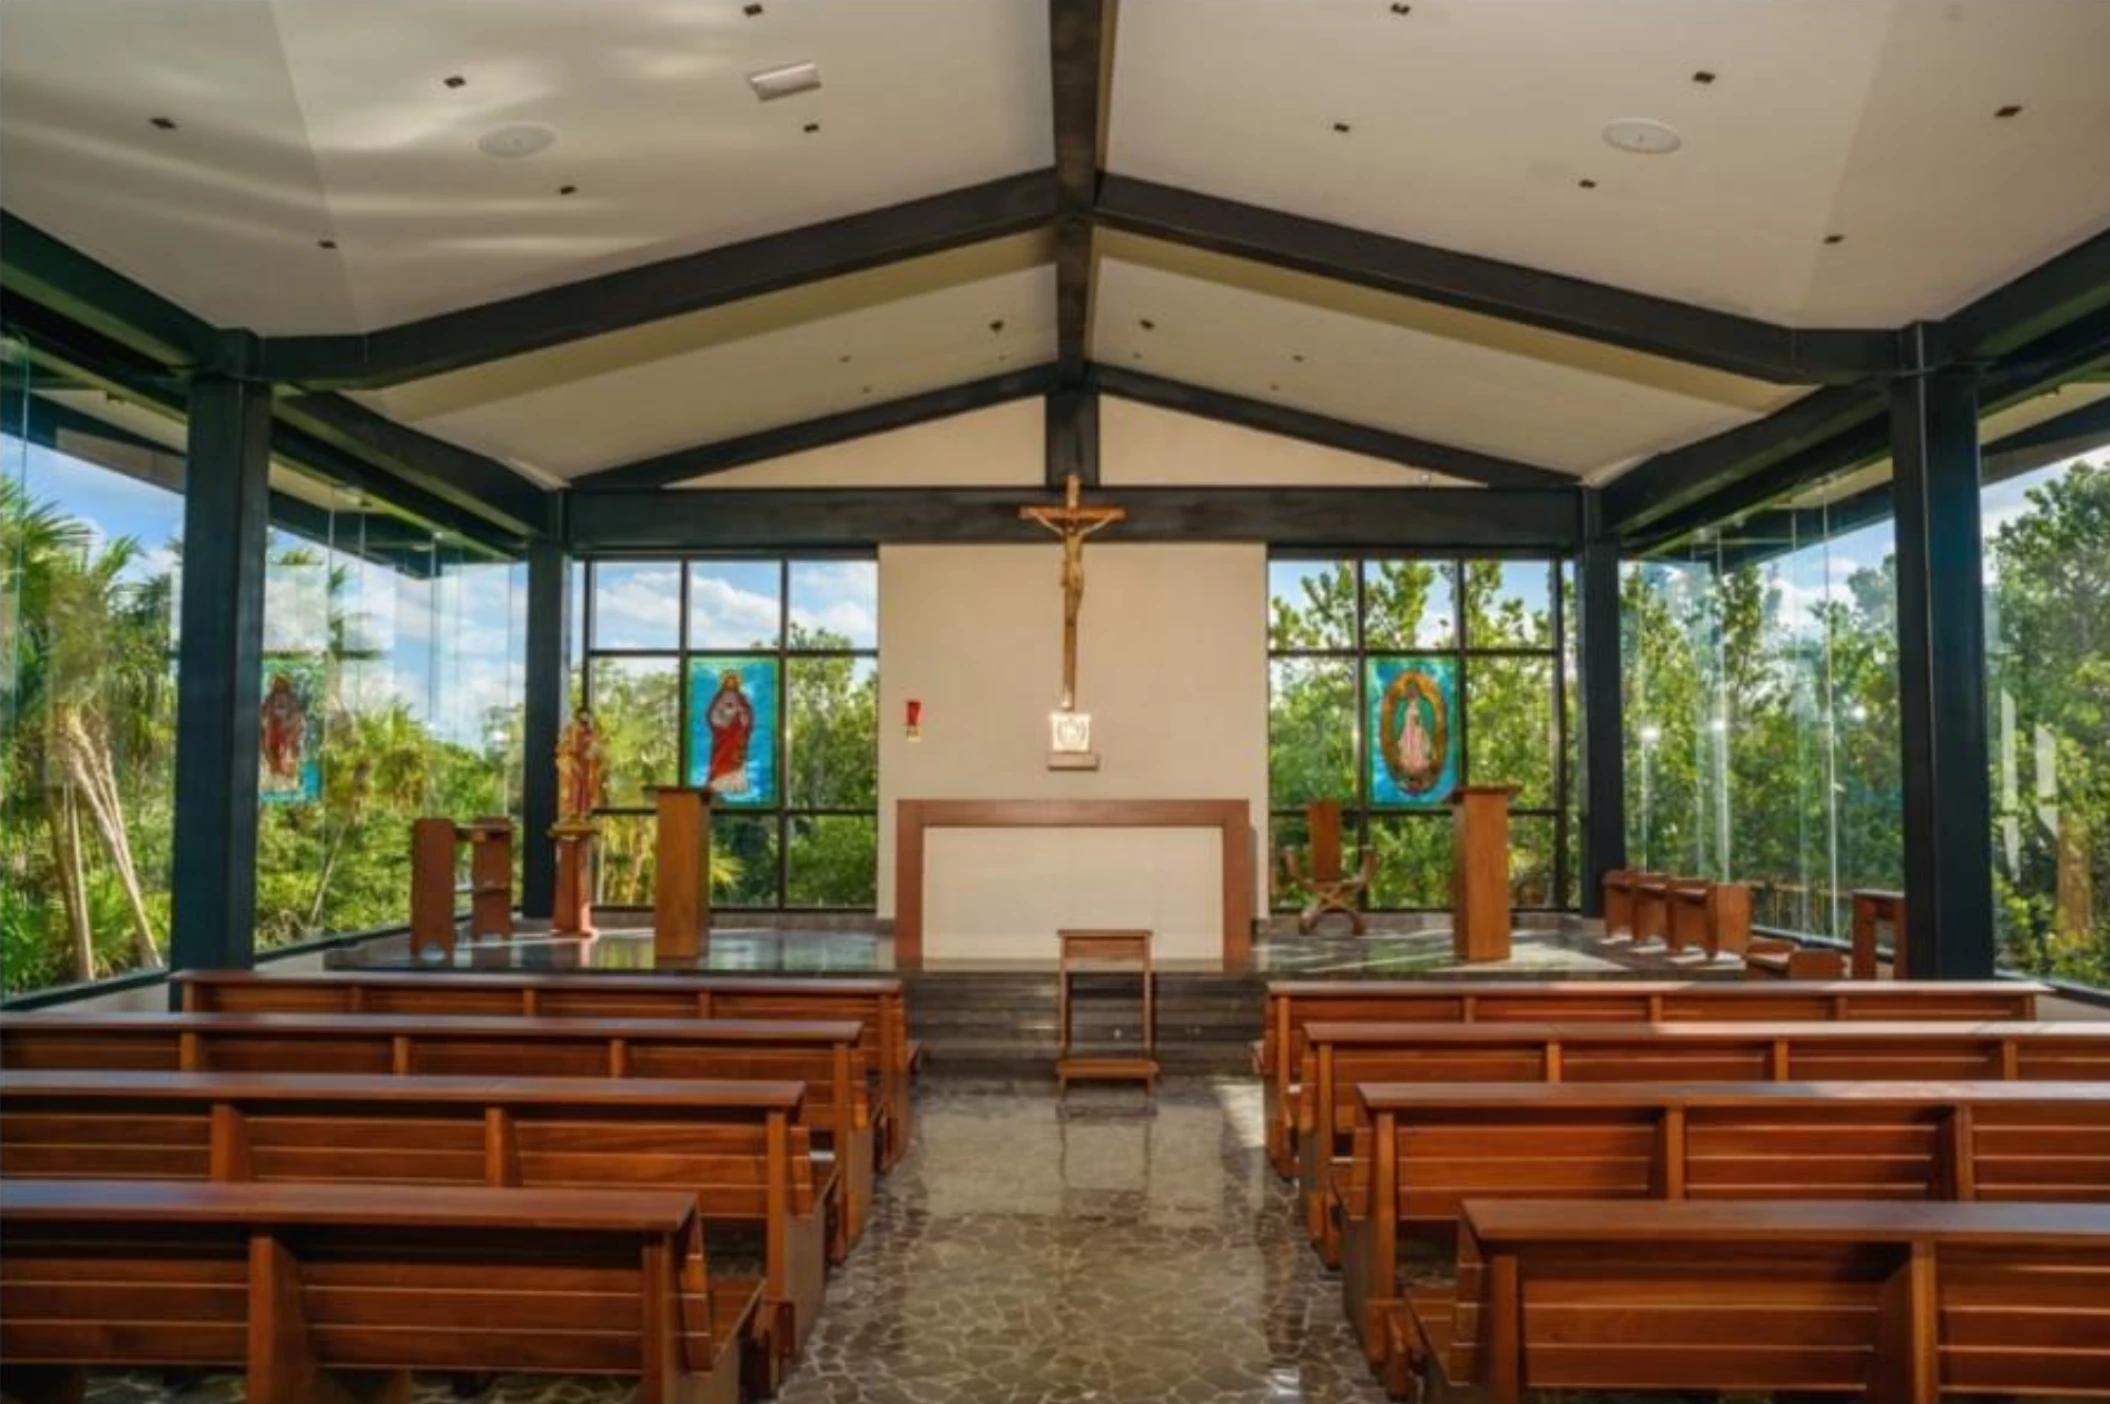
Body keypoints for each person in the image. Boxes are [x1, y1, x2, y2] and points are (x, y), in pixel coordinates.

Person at [706, 670, 755, 796]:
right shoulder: (719, 697)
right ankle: (718, 783)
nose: (731, 683)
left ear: (737, 683)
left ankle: (736, 785)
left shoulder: (742, 698)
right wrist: (726, 718)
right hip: (723, 734)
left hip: (738, 734)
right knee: (721, 756)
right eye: (729, 681)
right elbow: (713, 715)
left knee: (736, 758)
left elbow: (748, 715)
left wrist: (742, 714)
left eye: (733, 681)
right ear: (725, 682)